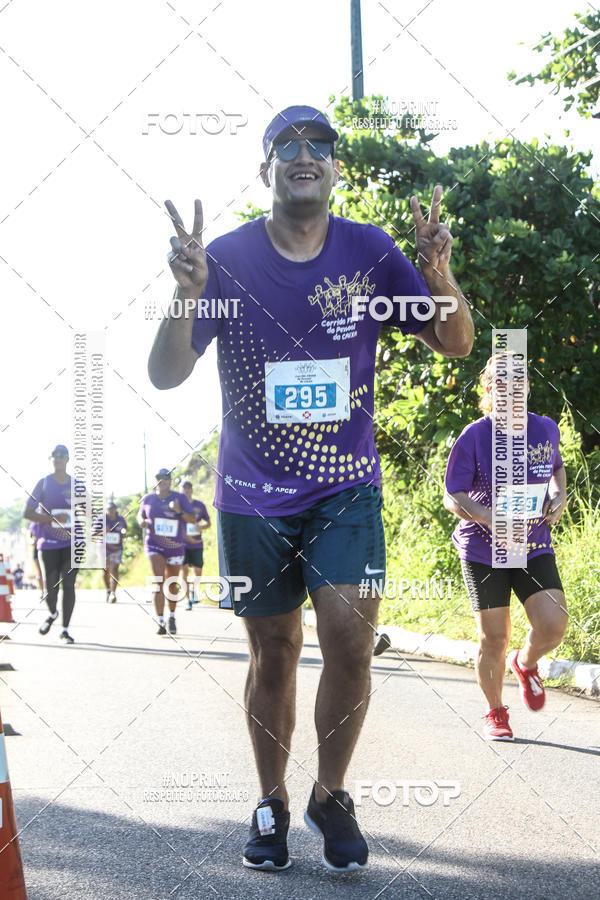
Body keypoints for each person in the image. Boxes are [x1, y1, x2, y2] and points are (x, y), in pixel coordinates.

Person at [149, 104, 473, 871]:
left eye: (318, 145)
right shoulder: (223, 257)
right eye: (286, 146)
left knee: (352, 644)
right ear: (265, 171)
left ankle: (331, 793)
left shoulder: (369, 250)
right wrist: (189, 293)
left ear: (334, 169)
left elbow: (455, 342)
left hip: (345, 488)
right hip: (252, 494)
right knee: (275, 651)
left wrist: (438, 271)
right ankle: (272, 801)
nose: (304, 153)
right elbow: (166, 372)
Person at [443, 353, 568, 741]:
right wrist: (486, 515)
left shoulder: (545, 429)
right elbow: (452, 496)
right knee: (494, 636)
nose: (510, 390)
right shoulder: (475, 435)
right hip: (484, 549)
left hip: (532, 543)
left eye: (518, 382)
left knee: (554, 623)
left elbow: (557, 469)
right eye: (500, 383)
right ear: (489, 391)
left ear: (528, 388)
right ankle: (495, 711)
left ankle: (525, 663)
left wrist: (558, 495)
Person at [23, 444, 78, 644]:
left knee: (69, 585)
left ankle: (65, 630)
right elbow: (27, 513)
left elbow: (90, 510)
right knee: (51, 589)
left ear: (67, 459)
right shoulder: (44, 484)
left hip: (72, 543)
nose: (59, 458)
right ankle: (53, 613)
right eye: (55, 455)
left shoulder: (76, 485)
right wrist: (52, 520)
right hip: (48, 544)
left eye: (63, 455)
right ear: (51, 459)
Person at [138, 469, 195, 635]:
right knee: (159, 580)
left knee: (171, 583)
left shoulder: (180, 498)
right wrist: (142, 521)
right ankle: (160, 620)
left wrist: (180, 511)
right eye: (159, 478)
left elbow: (192, 519)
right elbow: (140, 515)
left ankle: (171, 616)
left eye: (165, 478)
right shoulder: (148, 498)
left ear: (170, 481)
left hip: (174, 546)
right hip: (154, 544)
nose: (162, 480)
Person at [180, 480, 211, 610]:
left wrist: (201, 526)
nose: (187, 490)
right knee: (184, 571)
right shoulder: (177, 506)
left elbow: (208, 523)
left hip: (197, 544)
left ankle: (193, 590)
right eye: (184, 488)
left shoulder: (199, 505)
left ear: (192, 490)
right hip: (181, 545)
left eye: (189, 488)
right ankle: (187, 600)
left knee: (198, 572)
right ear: (180, 490)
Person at [103, 502, 127, 603]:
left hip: (117, 549)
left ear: (116, 509)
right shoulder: (102, 519)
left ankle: (113, 593)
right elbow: (93, 532)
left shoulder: (121, 519)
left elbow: (125, 530)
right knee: (105, 570)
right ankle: (108, 589)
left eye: (113, 509)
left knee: (114, 569)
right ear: (106, 510)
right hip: (104, 549)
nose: (111, 511)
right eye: (109, 509)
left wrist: (124, 533)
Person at [29, 522, 44, 597]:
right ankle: (42, 591)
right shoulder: (33, 524)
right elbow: (30, 538)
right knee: (40, 571)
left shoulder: (49, 521)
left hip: (49, 549)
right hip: (37, 550)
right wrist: (33, 542)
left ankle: (50, 591)